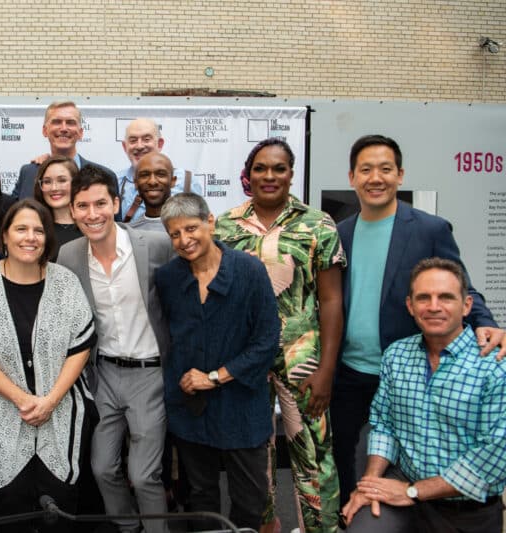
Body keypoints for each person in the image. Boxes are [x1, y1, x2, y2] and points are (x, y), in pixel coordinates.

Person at [330, 134, 506, 506]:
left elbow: (459, 284)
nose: (375, 178)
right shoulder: (339, 233)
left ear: (400, 174)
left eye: (385, 169)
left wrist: (486, 323)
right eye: (366, 170)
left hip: (408, 371)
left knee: (417, 455)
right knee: (346, 457)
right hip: (349, 373)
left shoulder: (429, 229)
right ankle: (355, 515)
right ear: (352, 177)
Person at [214, 138, 345, 533]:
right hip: (245, 362)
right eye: (260, 168)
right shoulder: (224, 225)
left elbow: (332, 300)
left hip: (302, 357)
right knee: (255, 457)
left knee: (313, 453)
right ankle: (265, 527)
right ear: (248, 175)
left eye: (278, 168)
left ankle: (320, 528)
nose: (269, 176)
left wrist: (326, 369)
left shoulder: (317, 224)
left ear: (291, 174)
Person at [0, 199, 97, 532]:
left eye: (38, 230)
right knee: (7, 508)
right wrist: (21, 398)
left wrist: (50, 400)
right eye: (21, 229)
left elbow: (81, 345)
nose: (30, 237)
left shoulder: (66, 282)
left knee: (58, 509)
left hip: (60, 414)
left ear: (47, 238)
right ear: (3, 236)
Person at [341, 257, 506, 532]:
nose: (433, 307)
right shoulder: (397, 355)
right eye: (423, 298)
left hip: (465, 507)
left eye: (445, 297)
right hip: (403, 491)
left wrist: (411, 491)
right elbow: (384, 424)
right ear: (410, 305)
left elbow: (493, 457)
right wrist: (370, 486)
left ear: (466, 306)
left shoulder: (495, 365)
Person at [57, 165, 174, 533]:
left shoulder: (155, 246)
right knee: (102, 467)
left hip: (151, 373)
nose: (92, 214)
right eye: (83, 206)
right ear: (72, 211)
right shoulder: (69, 255)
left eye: (100, 204)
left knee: (143, 475)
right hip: (103, 373)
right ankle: (128, 528)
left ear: (116, 203)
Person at [155, 193, 279, 531]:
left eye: (191, 228)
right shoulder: (168, 278)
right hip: (190, 406)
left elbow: (267, 339)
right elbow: (170, 336)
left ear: (211, 222)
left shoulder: (249, 270)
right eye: (175, 234)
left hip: (241, 404)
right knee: (200, 497)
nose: (184, 240)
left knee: (250, 498)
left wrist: (216, 376)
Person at [11, 101, 118, 199]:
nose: (63, 129)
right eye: (57, 122)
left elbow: (115, 220)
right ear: (45, 131)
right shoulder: (28, 173)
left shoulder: (106, 176)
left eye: (70, 122)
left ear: (80, 132)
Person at [117, 118, 200, 223]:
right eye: (133, 140)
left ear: (160, 144)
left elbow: (199, 225)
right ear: (125, 147)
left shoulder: (187, 181)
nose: (139, 146)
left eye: (146, 139)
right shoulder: (115, 182)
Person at [32, 155, 81, 257]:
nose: (54, 188)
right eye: (47, 182)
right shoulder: (33, 228)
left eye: (62, 180)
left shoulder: (91, 226)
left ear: (76, 183)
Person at [129, 152, 176, 232]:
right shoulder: (129, 232)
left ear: (172, 181)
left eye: (160, 174)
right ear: (135, 183)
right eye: (144, 175)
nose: (152, 182)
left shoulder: (190, 225)